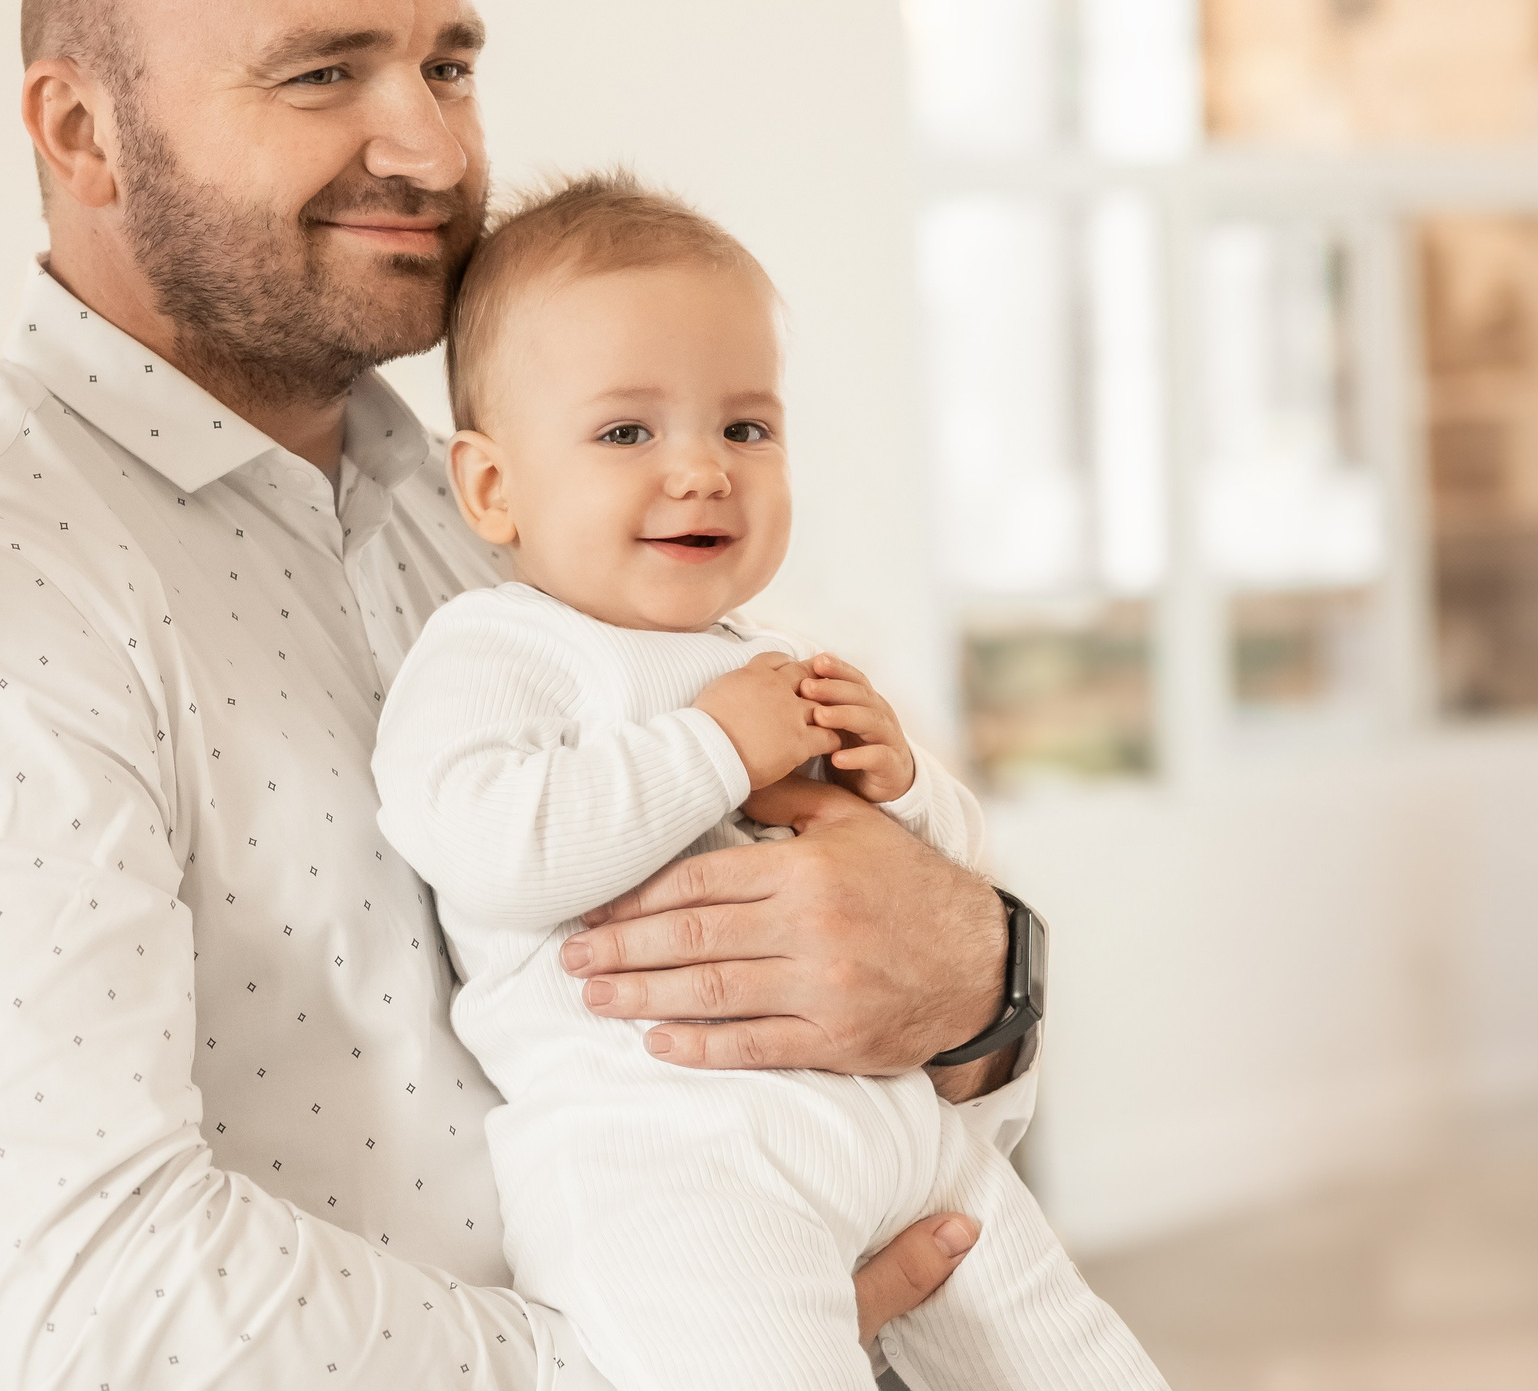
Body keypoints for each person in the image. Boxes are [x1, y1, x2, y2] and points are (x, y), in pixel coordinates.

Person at [0, 0, 1025, 1388]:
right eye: (322, 72)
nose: (430, 143)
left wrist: (981, 974)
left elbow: (863, 1008)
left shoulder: (498, 502)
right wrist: (678, 1351)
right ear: (81, 132)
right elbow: (97, 1315)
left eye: (448, 64)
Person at [372, 175, 1161, 1389]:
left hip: (895, 1128)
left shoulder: (766, 654)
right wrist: (716, 750)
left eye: (745, 427)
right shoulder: (498, 649)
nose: (701, 471)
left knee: (1082, 1359)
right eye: (627, 432)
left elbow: (933, 884)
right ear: (491, 487)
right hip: (673, 1157)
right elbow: (484, 844)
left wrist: (903, 789)